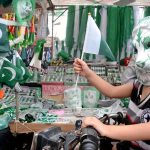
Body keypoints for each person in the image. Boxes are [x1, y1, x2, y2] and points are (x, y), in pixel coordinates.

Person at [73, 16, 150, 150]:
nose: (139, 60)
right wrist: (88, 73)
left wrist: (105, 129)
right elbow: (111, 91)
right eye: (137, 50)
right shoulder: (138, 86)